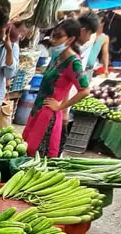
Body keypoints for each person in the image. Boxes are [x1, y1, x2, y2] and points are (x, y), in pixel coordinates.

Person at [22, 19, 90, 158]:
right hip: (37, 110)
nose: (53, 40)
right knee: (25, 148)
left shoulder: (74, 62)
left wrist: (61, 106)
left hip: (48, 115)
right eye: (53, 35)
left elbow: (85, 90)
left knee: (38, 156)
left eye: (58, 36)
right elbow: (65, 84)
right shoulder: (57, 56)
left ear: (70, 39)